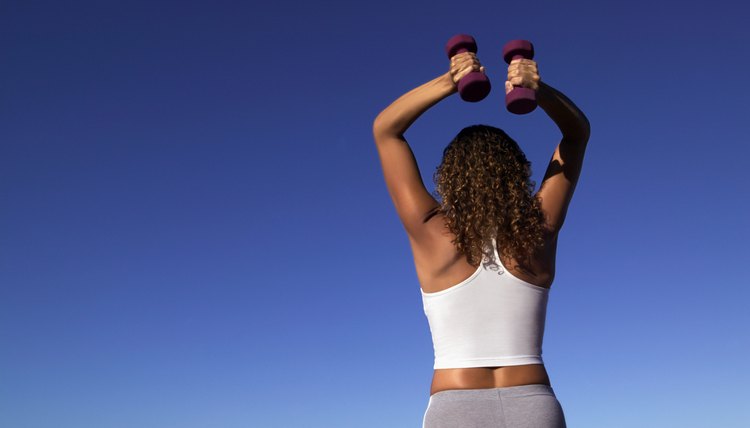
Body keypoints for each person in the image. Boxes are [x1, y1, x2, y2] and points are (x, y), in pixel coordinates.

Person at [372, 48, 590, 427]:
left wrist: (450, 81)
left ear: (452, 179)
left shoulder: (430, 230)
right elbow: (576, 134)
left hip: (455, 407)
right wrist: (539, 89)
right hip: (533, 406)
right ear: (516, 174)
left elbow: (386, 131)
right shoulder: (538, 229)